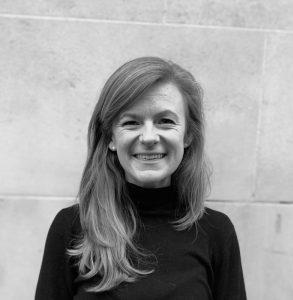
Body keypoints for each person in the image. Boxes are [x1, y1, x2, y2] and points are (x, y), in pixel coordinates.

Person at [35, 57, 247, 300]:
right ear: (111, 138)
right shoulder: (72, 228)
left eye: (165, 121)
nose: (148, 137)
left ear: (188, 135)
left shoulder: (216, 232)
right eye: (131, 122)